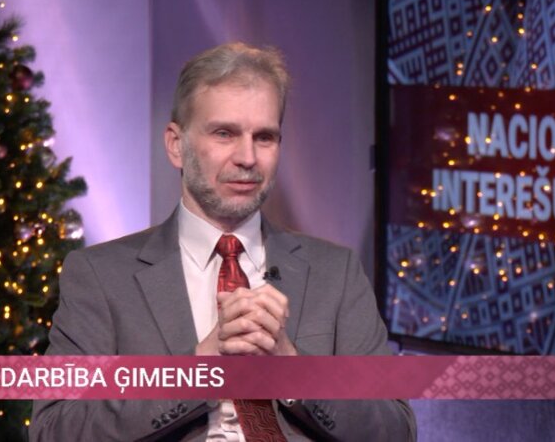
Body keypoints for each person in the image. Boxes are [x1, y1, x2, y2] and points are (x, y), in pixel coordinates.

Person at [30, 42, 416, 441]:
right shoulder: (100, 275)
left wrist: (293, 369)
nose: (247, 157)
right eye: (224, 134)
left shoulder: (336, 271)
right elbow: (54, 430)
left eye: (264, 137)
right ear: (176, 145)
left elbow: (396, 429)